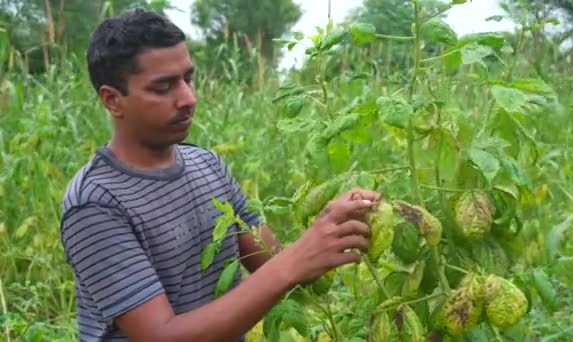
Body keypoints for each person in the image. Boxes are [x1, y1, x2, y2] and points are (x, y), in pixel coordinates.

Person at [60, 8, 379, 342]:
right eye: (163, 87)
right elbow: (160, 337)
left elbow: (272, 263)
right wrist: (293, 263)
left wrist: (330, 226)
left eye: (188, 78)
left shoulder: (207, 165)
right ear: (113, 100)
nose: (188, 98)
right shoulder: (95, 203)